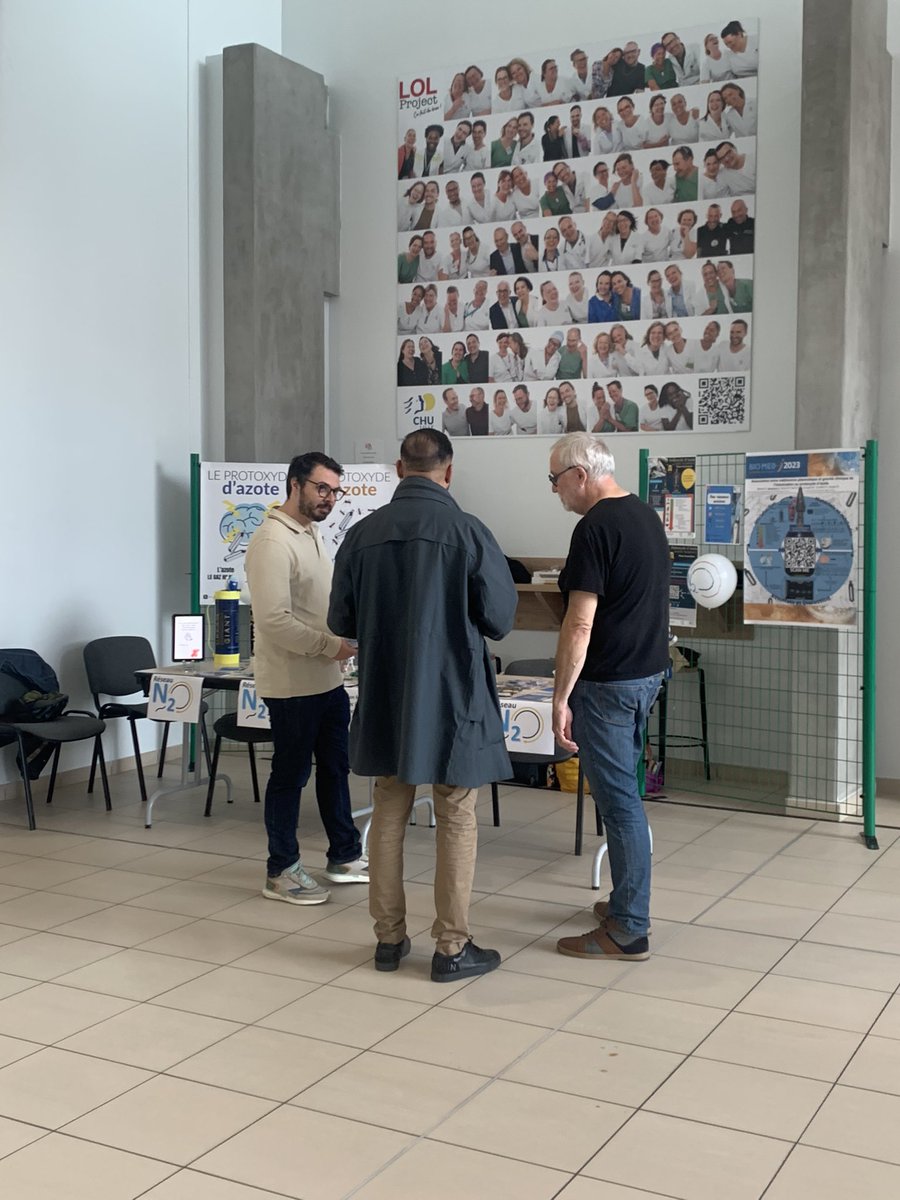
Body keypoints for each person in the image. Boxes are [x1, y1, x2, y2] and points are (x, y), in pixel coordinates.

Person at [328, 430, 515, 980]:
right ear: (448, 472)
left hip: (387, 690)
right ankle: (452, 948)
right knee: (456, 812)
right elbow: (500, 620)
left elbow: (341, 622)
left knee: (389, 807)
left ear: (397, 468)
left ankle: (388, 941)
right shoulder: (469, 532)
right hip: (454, 693)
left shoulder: (361, 535)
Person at [548, 433, 668, 963]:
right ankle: (624, 901)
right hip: (646, 676)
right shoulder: (644, 516)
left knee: (619, 806)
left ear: (579, 474)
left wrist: (559, 696)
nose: (555, 492)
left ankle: (629, 928)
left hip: (608, 685)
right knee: (625, 798)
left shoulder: (593, 527)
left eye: (555, 480)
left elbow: (579, 623)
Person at [246, 453, 366, 907]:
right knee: (290, 776)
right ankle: (280, 870)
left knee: (336, 769)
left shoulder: (311, 532)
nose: (329, 499)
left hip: (326, 681)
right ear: (294, 484)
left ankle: (344, 856)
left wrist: (340, 642)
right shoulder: (272, 541)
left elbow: (317, 603)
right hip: (293, 686)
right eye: (321, 488)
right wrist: (329, 646)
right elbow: (273, 620)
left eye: (335, 491)